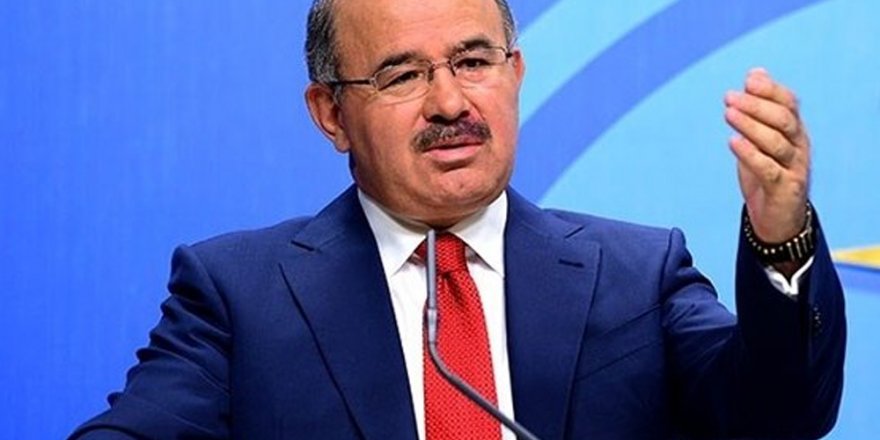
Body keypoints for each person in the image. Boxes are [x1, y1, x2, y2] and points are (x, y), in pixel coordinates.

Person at [70, 0, 845, 439]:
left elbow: (779, 418)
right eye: (402, 75)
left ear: (516, 72)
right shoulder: (239, 293)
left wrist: (782, 239)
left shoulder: (638, 273)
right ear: (331, 113)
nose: (450, 103)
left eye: (474, 62)